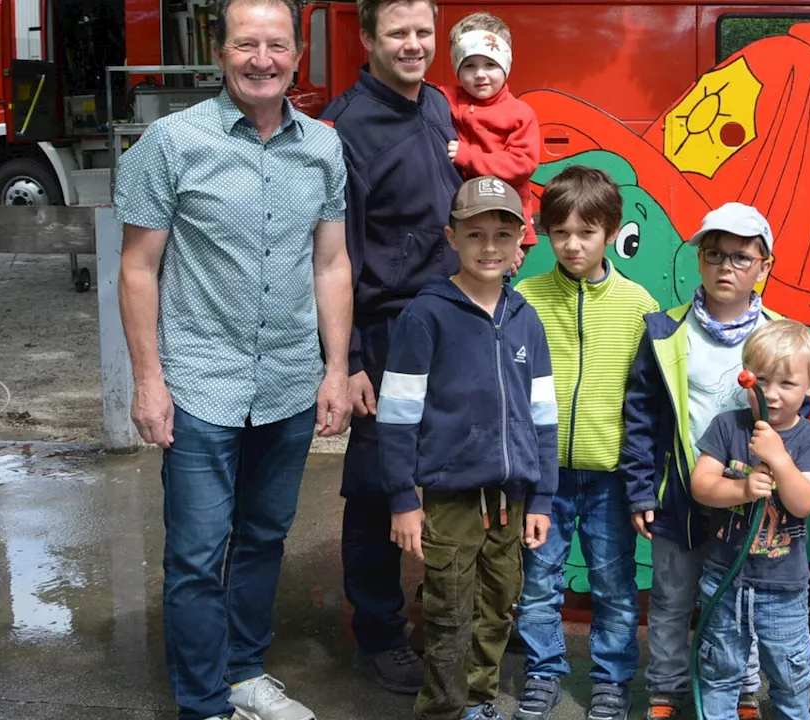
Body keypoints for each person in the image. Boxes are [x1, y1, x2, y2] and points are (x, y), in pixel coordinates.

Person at [114, 0, 352, 718]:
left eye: (277, 45)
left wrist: (335, 368)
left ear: (296, 55)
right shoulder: (171, 141)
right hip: (199, 384)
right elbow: (136, 269)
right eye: (246, 45)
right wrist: (150, 383)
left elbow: (332, 263)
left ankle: (244, 675)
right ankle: (203, 704)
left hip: (286, 381)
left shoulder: (323, 146)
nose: (263, 60)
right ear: (220, 54)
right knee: (193, 556)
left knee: (263, 538)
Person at [319, 0, 462, 694]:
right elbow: (334, 253)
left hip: (448, 321)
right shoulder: (347, 128)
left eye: (424, 32)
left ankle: (435, 610)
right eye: (398, 33)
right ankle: (375, 633)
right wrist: (346, 363)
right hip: (385, 331)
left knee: (441, 474)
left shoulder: (437, 104)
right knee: (379, 485)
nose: (414, 45)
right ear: (369, 38)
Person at [378, 176, 557, 720]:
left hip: (512, 497)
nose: (488, 248)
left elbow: (543, 419)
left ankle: (478, 700)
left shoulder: (526, 318)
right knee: (449, 613)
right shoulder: (425, 316)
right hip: (450, 499)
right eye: (474, 234)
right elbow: (397, 416)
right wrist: (402, 500)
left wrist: (543, 498)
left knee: (498, 607)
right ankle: (443, 710)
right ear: (451, 237)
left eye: (502, 235)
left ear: (521, 242)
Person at [621, 202, 792, 720]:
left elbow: (796, 420)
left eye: (741, 258)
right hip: (680, 494)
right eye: (713, 254)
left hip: (752, 499)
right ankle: (666, 691)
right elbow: (641, 416)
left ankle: (742, 690)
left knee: (747, 599)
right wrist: (639, 488)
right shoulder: (664, 330)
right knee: (672, 599)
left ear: (764, 267)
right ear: (698, 259)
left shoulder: (781, 334)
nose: (725, 267)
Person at [509, 165, 659, 720]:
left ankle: (611, 680)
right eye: (560, 232)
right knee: (540, 581)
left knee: (615, 584)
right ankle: (544, 671)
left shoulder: (637, 303)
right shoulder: (524, 297)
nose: (572, 245)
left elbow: (646, 402)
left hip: (610, 475)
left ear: (611, 231)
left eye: (586, 232)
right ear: (544, 232)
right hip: (542, 477)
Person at [690, 319, 810, 720]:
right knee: (719, 672)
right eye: (762, 380)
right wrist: (743, 489)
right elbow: (702, 484)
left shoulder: (809, 439)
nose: (771, 394)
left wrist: (779, 457)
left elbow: (804, 502)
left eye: (787, 384)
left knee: (789, 677)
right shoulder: (727, 426)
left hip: (783, 589)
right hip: (724, 580)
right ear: (747, 376)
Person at [445, 11, 540, 259]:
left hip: (506, 216)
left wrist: (470, 158)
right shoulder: (448, 98)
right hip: (466, 215)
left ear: (505, 67)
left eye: (490, 64)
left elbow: (523, 163)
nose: (479, 74)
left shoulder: (520, 113)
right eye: (468, 65)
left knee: (496, 278)